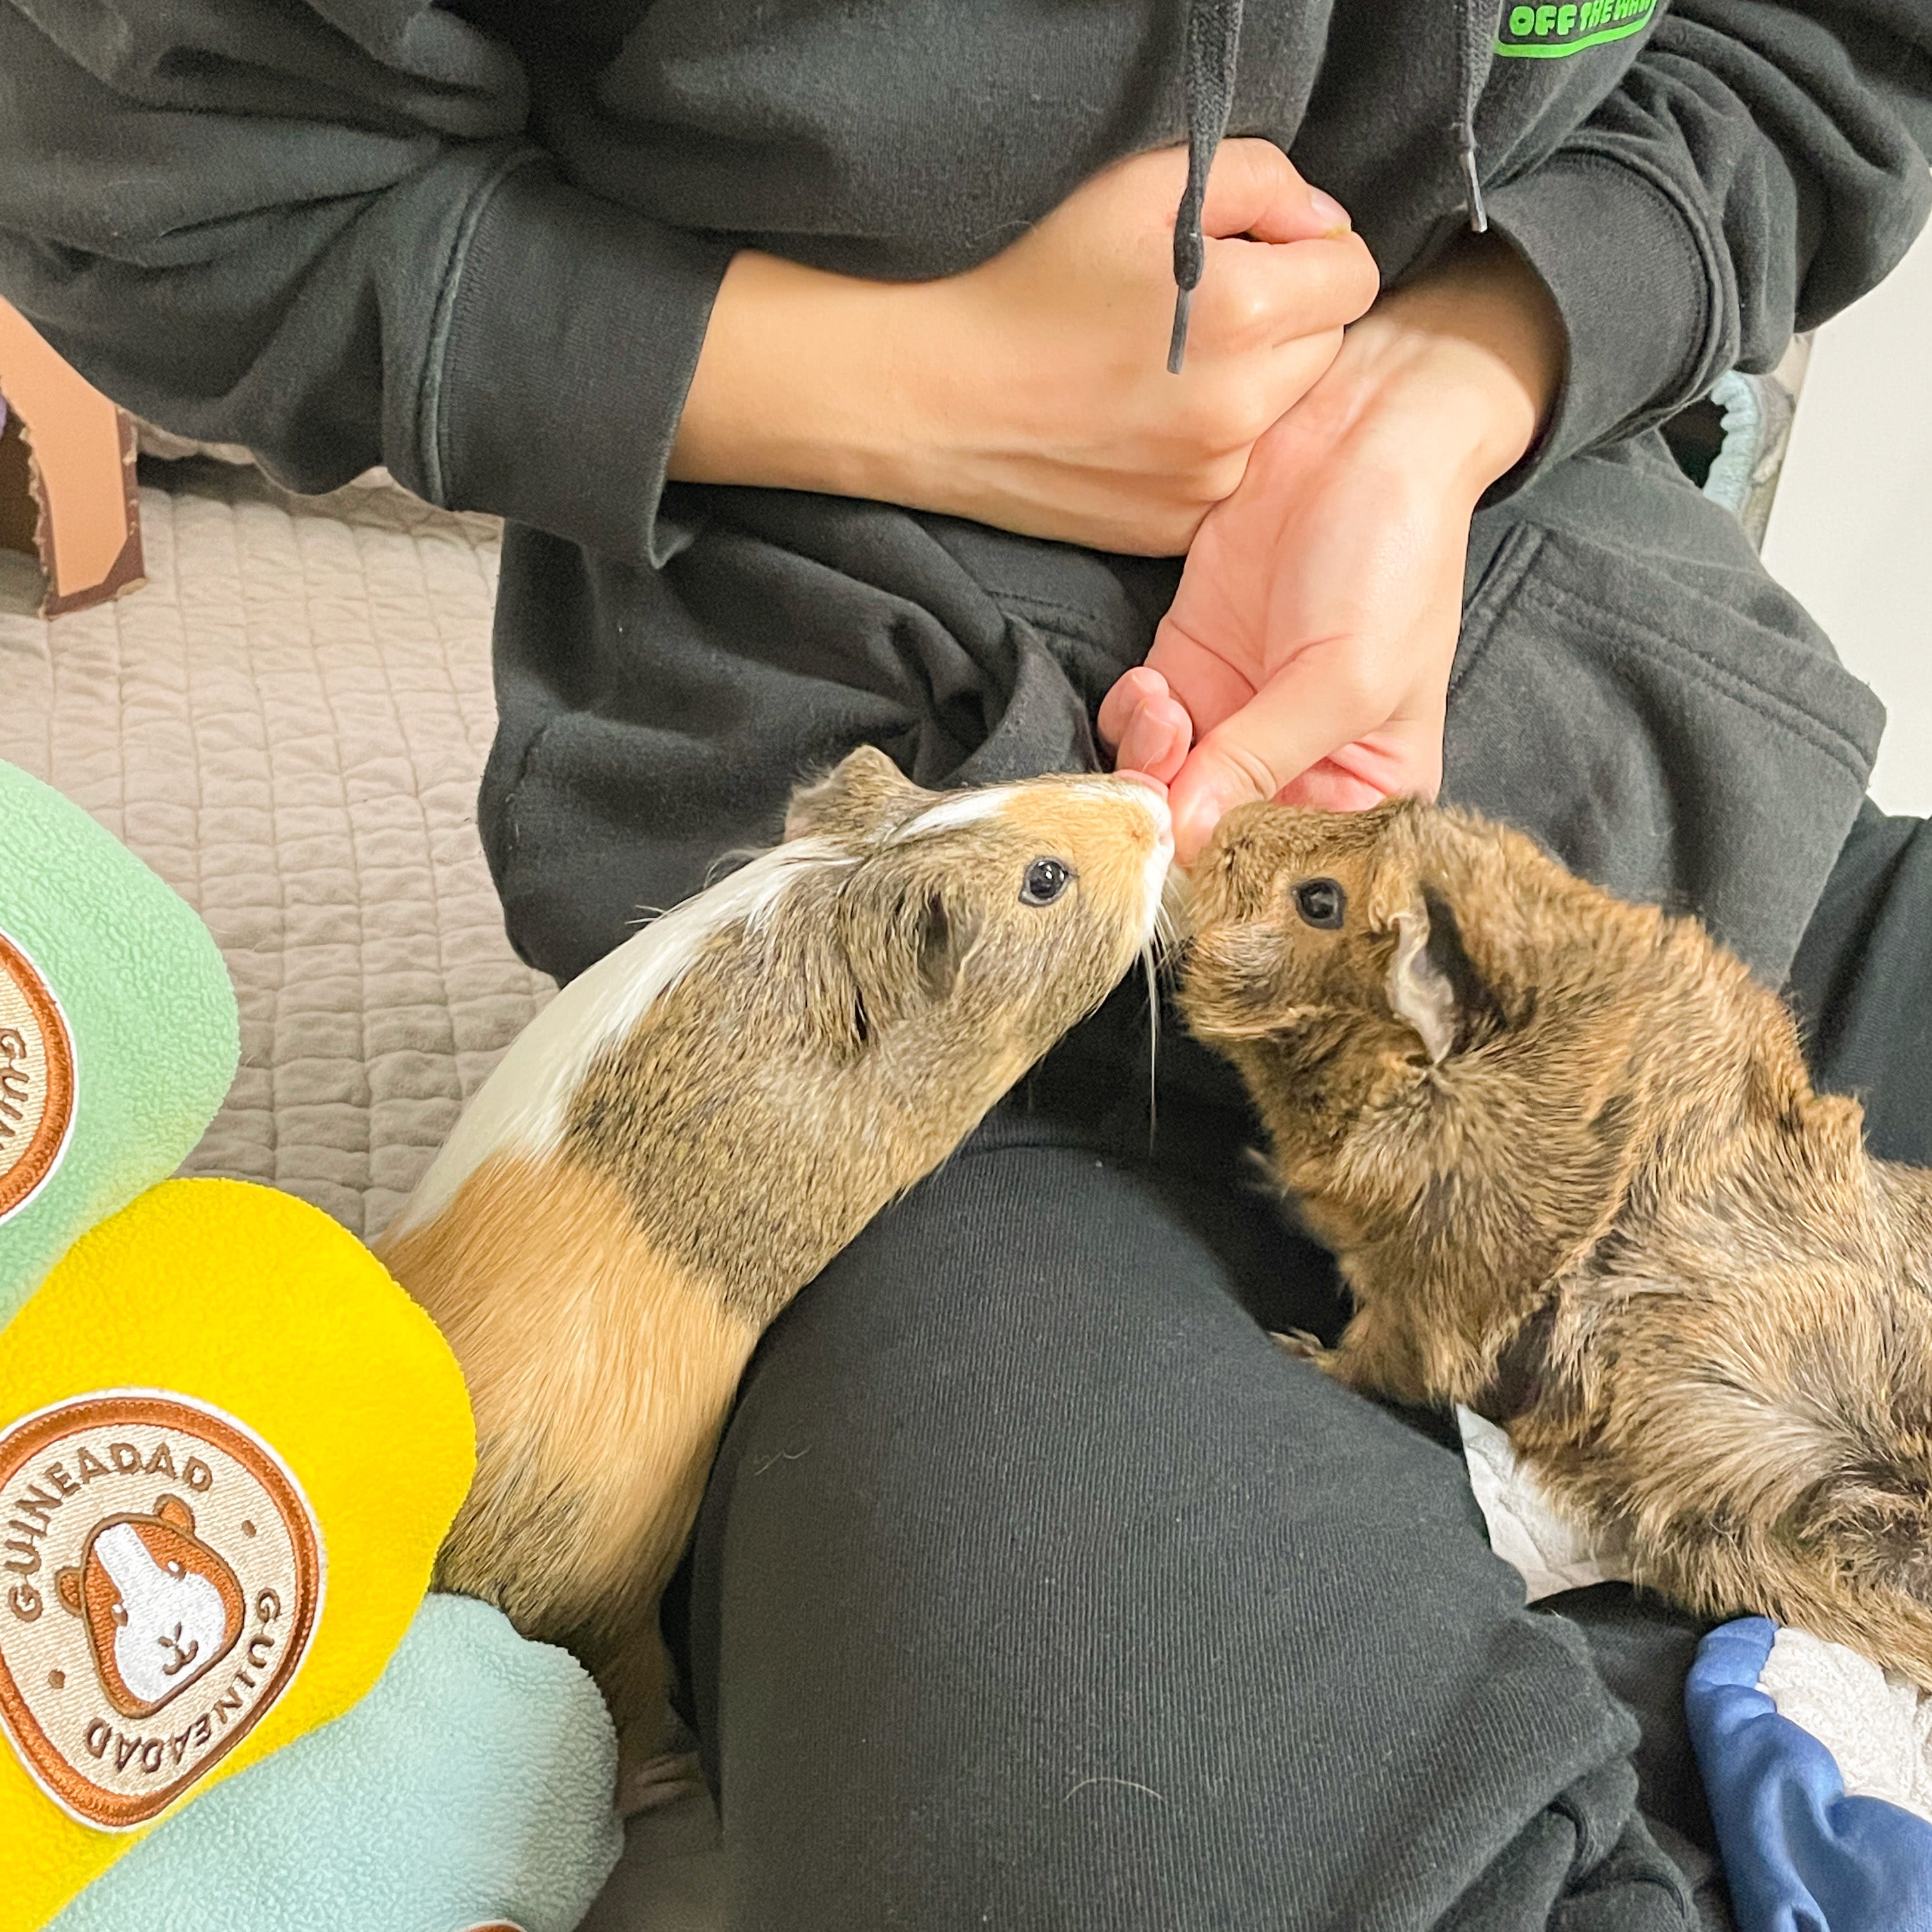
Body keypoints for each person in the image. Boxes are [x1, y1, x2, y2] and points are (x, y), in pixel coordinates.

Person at [3, 2, 1928, 1924]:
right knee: (1116, 1824)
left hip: (1644, 734)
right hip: (945, 1031)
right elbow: (131, 187)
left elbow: (1842, 54)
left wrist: (1452, 376)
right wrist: (907, 384)